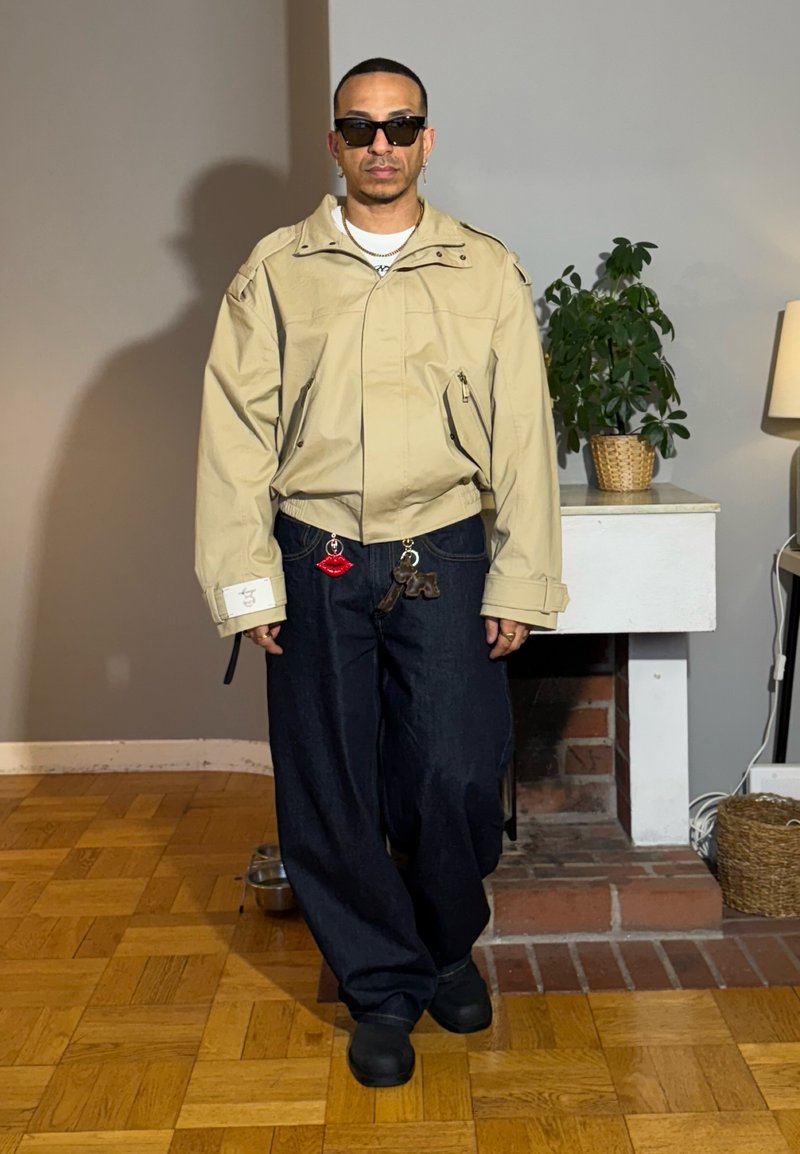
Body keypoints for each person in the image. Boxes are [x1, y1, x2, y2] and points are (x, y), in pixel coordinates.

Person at [195, 57, 568, 1087]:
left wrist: (521, 580)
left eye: (400, 126)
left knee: (454, 772)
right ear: (335, 143)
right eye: (360, 128)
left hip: (440, 547)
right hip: (312, 551)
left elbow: (522, 439)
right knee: (330, 784)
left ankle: (443, 943)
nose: (380, 145)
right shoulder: (276, 270)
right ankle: (381, 985)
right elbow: (235, 434)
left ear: (426, 140)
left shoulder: (484, 270)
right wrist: (246, 585)